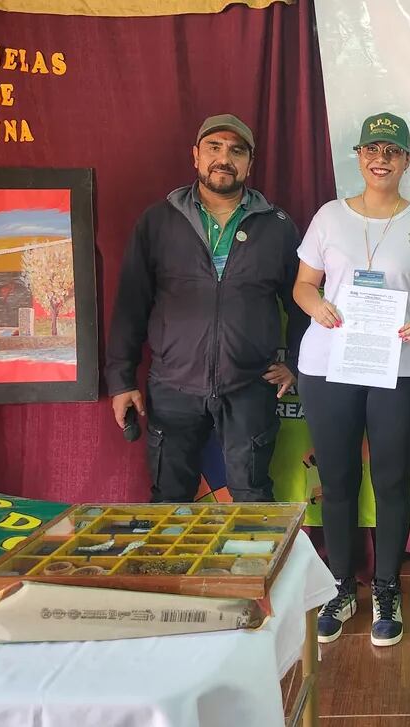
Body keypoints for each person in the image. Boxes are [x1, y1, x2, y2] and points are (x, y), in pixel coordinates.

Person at [293, 112, 410, 647]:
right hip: (329, 365)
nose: (381, 159)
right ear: (359, 157)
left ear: (407, 161)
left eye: (393, 152)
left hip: (399, 367)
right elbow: (303, 285)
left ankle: (386, 587)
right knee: (337, 482)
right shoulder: (329, 216)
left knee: (390, 481)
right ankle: (341, 586)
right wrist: (317, 306)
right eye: (372, 150)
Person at [106, 113, 309, 503]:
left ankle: (253, 566)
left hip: (250, 384)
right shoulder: (158, 221)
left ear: (250, 163)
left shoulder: (277, 225)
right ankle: (172, 567)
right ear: (196, 155)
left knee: (252, 493)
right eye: (214, 148)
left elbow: (301, 299)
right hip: (173, 385)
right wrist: (122, 381)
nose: (224, 158)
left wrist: (296, 363)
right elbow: (131, 303)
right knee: (170, 494)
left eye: (236, 151)